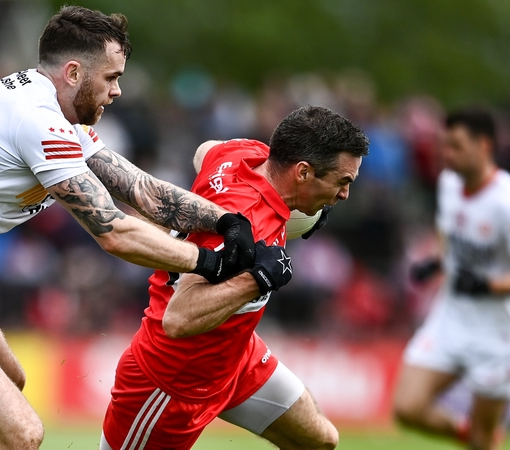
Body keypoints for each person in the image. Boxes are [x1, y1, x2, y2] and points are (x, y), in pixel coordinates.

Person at [0, 6, 275, 450]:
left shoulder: (53, 113)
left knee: (11, 385)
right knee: (20, 435)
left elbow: (141, 189)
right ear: (73, 72)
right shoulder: (38, 120)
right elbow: (114, 231)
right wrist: (213, 263)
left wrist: (227, 221)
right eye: (110, 77)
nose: (118, 91)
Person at [99, 106, 370, 450]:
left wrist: (305, 211)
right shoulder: (247, 223)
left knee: (320, 441)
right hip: (171, 379)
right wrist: (258, 278)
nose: (344, 194)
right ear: (303, 172)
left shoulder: (248, 155)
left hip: (236, 357)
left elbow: (204, 152)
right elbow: (178, 318)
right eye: (342, 182)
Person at [394, 108, 510, 450]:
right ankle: (474, 436)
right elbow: (448, 229)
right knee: (407, 408)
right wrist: (437, 262)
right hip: (451, 317)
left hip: (498, 333)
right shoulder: (449, 184)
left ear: (484, 146)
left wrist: (488, 285)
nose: (445, 154)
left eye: (455, 146)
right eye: (443, 145)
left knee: (483, 439)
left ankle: (482, 439)